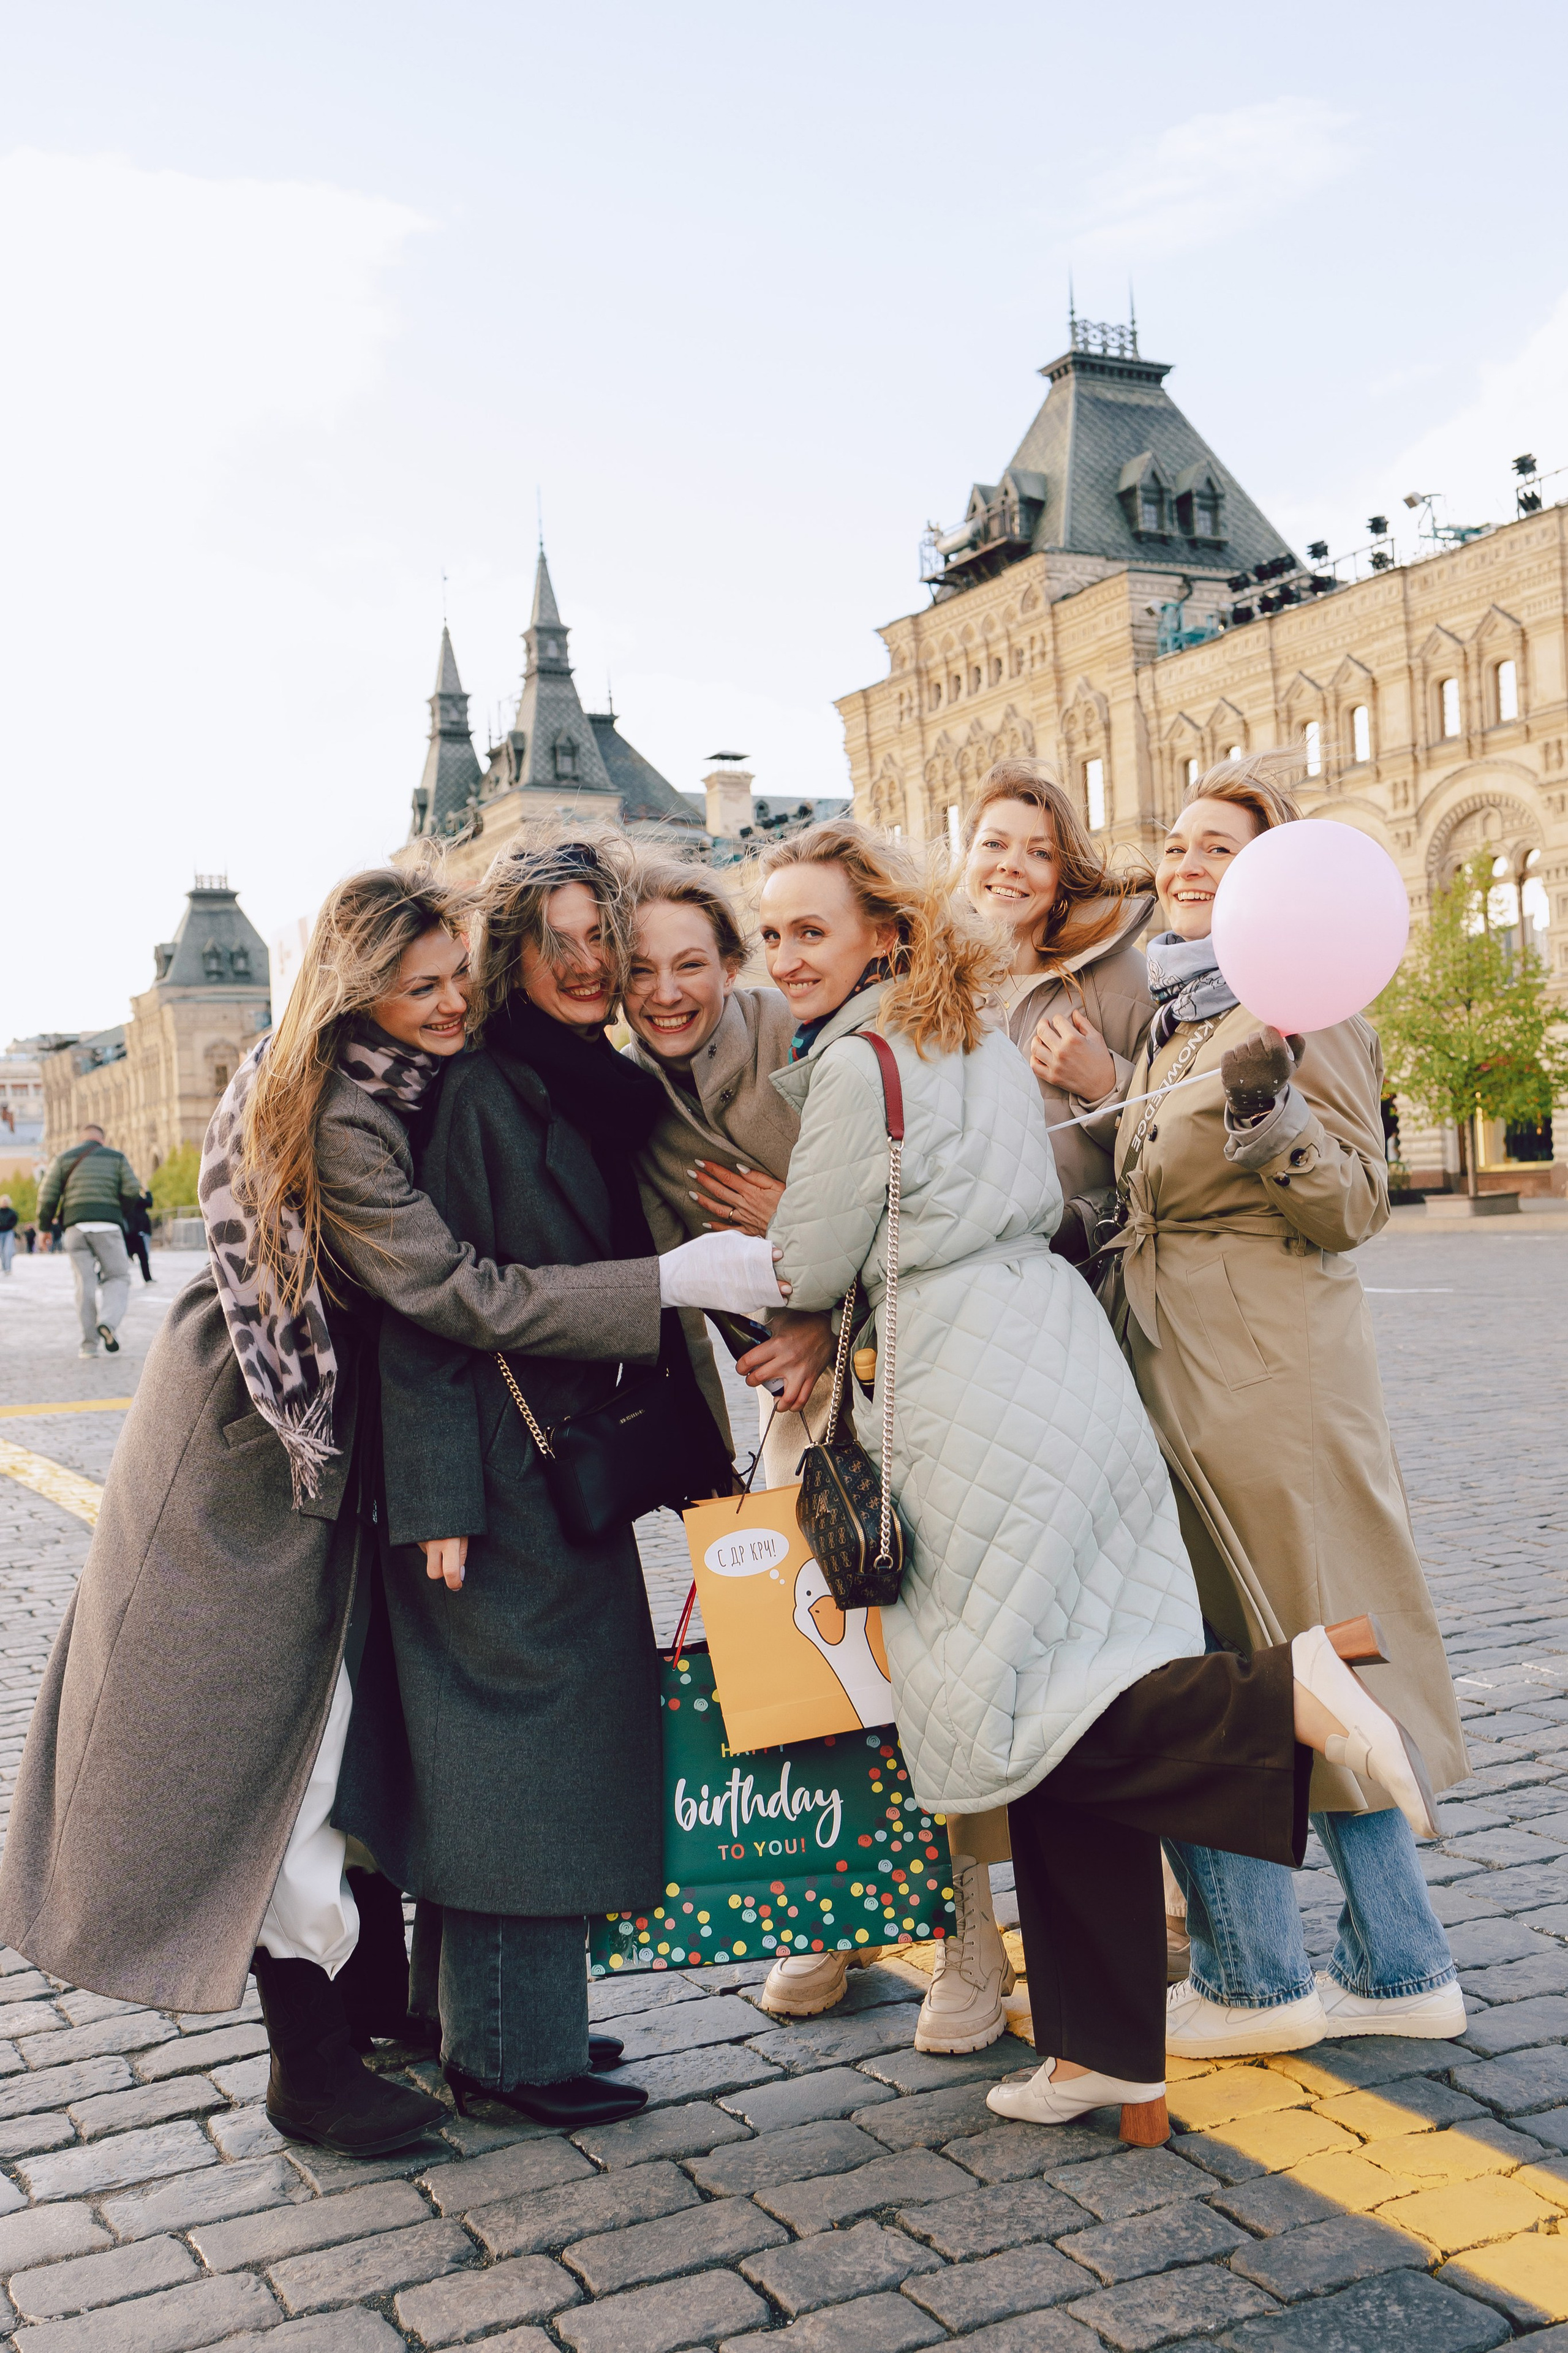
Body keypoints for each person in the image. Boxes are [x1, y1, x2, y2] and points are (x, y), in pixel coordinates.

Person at [0, 864, 762, 2161]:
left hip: (327, 1453)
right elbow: (454, 1295)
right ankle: (309, 2066)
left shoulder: (403, 1079)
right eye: (422, 988)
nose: (451, 1003)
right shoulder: (349, 1111)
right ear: (357, 994)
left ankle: (383, 2013)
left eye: (456, 975)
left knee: (352, 1741)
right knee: (281, 1765)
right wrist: (664, 1283)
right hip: (254, 1463)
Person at [759, 818, 1442, 2135]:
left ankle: (1273, 1696)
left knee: (1021, 1716)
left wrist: (748, 1240)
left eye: (809, 930)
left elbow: (809, 1259)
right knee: (1067, 1707)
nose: (785, 955)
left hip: (970, 1390)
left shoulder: (858, 1064)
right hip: (1063, 1362)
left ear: (881, 936)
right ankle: (1104, 2049)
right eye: (772, 932)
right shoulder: (969, 1035)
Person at [344, 833, 783, 2132]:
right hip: (492, 1471)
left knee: (530, 1749)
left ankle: (494, 2021)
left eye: (606, 937)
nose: (592, 965)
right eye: (564, 941)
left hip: (550, 1468)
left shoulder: (582, 1083)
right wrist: (435, 1500)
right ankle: (509, 2058)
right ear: (510, 954)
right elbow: (432, 1309)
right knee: (510, 1757)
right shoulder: (485, 1092)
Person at [1080, 754, 1466, 2055]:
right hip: (1173, 1383)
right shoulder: (1170, 1012)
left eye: (1221, 849)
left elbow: (1350, 1204)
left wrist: (1266, 1101)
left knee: (1314, 1666)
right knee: (1235, 1677)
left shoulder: (1302, 1006)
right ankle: (1287, 1970)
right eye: (1177, 843)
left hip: (1267, 1389)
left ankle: (1396, 1962)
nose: (1186, 863)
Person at [621, 858, 835, 1486]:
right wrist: (713, 1472)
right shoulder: (628, 1103)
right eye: (640, 971)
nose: (665, 993)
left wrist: (796, 1236)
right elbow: (682, 1316)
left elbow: (916, 1209)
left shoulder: (807, 1038)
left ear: (731, 967)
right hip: (793, 1400)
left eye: (689, 965)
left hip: (906, 1365)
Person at [960, 760, 1155, 1258]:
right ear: (968, 858)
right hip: (953, 1286)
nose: (1011, 865)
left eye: (1039, 852)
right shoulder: (925, 990)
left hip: (1082, 1281)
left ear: (1062, 876)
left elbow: (1176, 1139)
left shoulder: (1120, 979)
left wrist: (1106, 1087)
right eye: (994, 844)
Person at [36, 1122, 143, 1356]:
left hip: (75, 1228)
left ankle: (89, 1346)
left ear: (80, 1140)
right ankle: (108, 1322)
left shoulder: (64, 1158)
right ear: (102, 1140)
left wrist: (43, 1228)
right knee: (117, 1277)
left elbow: (48, 1195)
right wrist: (116, 1212)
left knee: (85, 1285)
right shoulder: (116, 1157)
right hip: (108, 1226)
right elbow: (133, 1189)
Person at [124, 1189, 155, 1283]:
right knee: (143, 1257)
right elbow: (149, 1203)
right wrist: (147, 1192)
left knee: (118, 1258)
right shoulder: (136, 1199)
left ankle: (100, 1277)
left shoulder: (124, 1199)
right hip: (138, 1232)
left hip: (128, 1233)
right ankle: (148, 1279)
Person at [0, 1197, 17, 1275]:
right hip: (0, 1232)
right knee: (1, 1251)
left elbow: (15, 1220)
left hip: (9, 1232)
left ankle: (8, 1269)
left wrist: (9, 1226)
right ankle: (4, 1266)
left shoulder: (12, 1212)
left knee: (8, 1251)